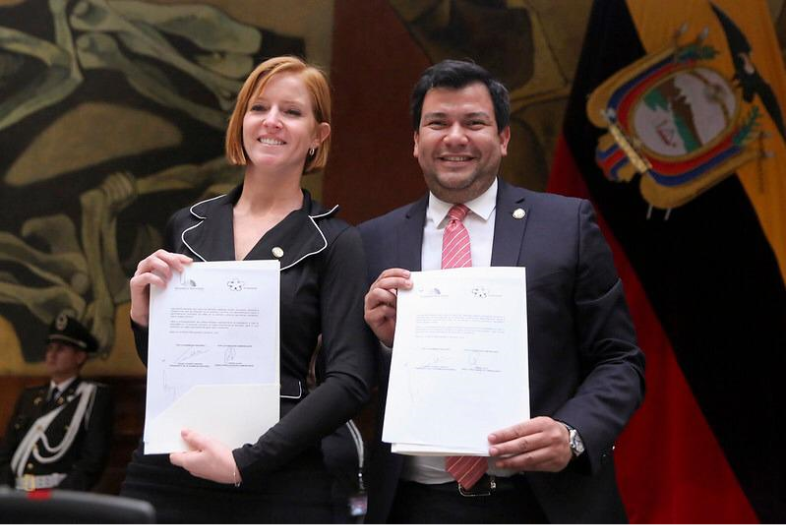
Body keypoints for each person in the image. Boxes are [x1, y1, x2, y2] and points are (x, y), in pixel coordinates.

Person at [360, 59, 646, 524]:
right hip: (416, 505)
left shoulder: (566, 225)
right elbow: (347, 380)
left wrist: (573, 433)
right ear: (415, 142)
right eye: (437, 123)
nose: (455, 137)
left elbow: (620, 360)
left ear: (504, 138)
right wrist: (386, 343)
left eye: (475, 122)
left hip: (546, 503)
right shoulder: (372, 241)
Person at [119, 56, 375, 525]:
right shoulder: (189, 225)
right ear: (242, 122)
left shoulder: (337, 240)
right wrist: (142, 318)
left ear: (318, 136)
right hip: (170, 463)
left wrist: (246, 460)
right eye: (259, 108)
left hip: (278, 473)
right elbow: (170, 365)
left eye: (292, 112)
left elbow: (351, 379)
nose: (272, 121)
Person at [0, 313, 113, 492]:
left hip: (56, 497)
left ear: (80, 357)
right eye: (50, 348)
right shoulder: (29, 397)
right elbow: (5, 451)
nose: (51, 355)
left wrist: (61, 498)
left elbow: (92, 461)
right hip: (18, 494)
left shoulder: (93, 397)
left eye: (60, 349)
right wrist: (7, 488)